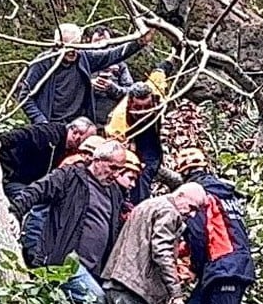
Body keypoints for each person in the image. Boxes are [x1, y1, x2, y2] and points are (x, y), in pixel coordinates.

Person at [12, 140, 129, 304]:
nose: (116, 174)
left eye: (120, 169)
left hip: (94, 268)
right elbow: (36, 191)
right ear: (97, 160)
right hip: (65, 261)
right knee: (96, 302)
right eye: (112, 168)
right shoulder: (70, 176)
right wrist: (14, 213)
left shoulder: (114, 192)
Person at [174, 147, 255, 304]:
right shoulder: (227, 193)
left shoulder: (201, 195)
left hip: (224, 269)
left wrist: (194, 268)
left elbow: (199, 236)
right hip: (225, 267)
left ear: (182, 173)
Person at [102, 183, 206, 304]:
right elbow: (162, 251)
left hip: (118, 281)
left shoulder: (149, 204)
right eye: (191, 207)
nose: (192, 215)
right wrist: (175, 292)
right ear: (180, 195)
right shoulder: (168, 211)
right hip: (133, 287)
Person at [20, 23, 152, 125]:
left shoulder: (84, 57)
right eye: (67, 46)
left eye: (77, 45)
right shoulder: (42, 63)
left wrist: (139, 42)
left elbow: (112, 55)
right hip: (51, 124)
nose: (73, 51)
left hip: (79, 124)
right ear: (57, 45)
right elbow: (25, 97)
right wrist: (41, 121)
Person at [106, 63, 171, 202]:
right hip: (131, 141)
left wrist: (175, 54)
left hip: (152, 135)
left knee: (151, 164)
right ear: (130, 103)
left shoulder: (156, 88)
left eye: (146, 107)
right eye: (138, 107)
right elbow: (115, 150)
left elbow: (160, 70)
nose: (142, 111)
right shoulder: (119, 120)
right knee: (140, 175)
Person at [0, 118, 96, 202]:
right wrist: (1, 141)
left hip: (33, 184)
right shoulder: (50, 133)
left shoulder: (72, 152)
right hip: (12, 177)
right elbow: (25, 134)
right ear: (75, 133)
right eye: (85, 141)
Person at [86, 26, 134, 125]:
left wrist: (112, 88)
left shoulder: (120, 66)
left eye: (105, 42)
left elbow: (131, 92)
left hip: (110, 122)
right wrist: (88, 84)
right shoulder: (82, 62)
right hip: (82, 122)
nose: (101, 46)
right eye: (97, 41)